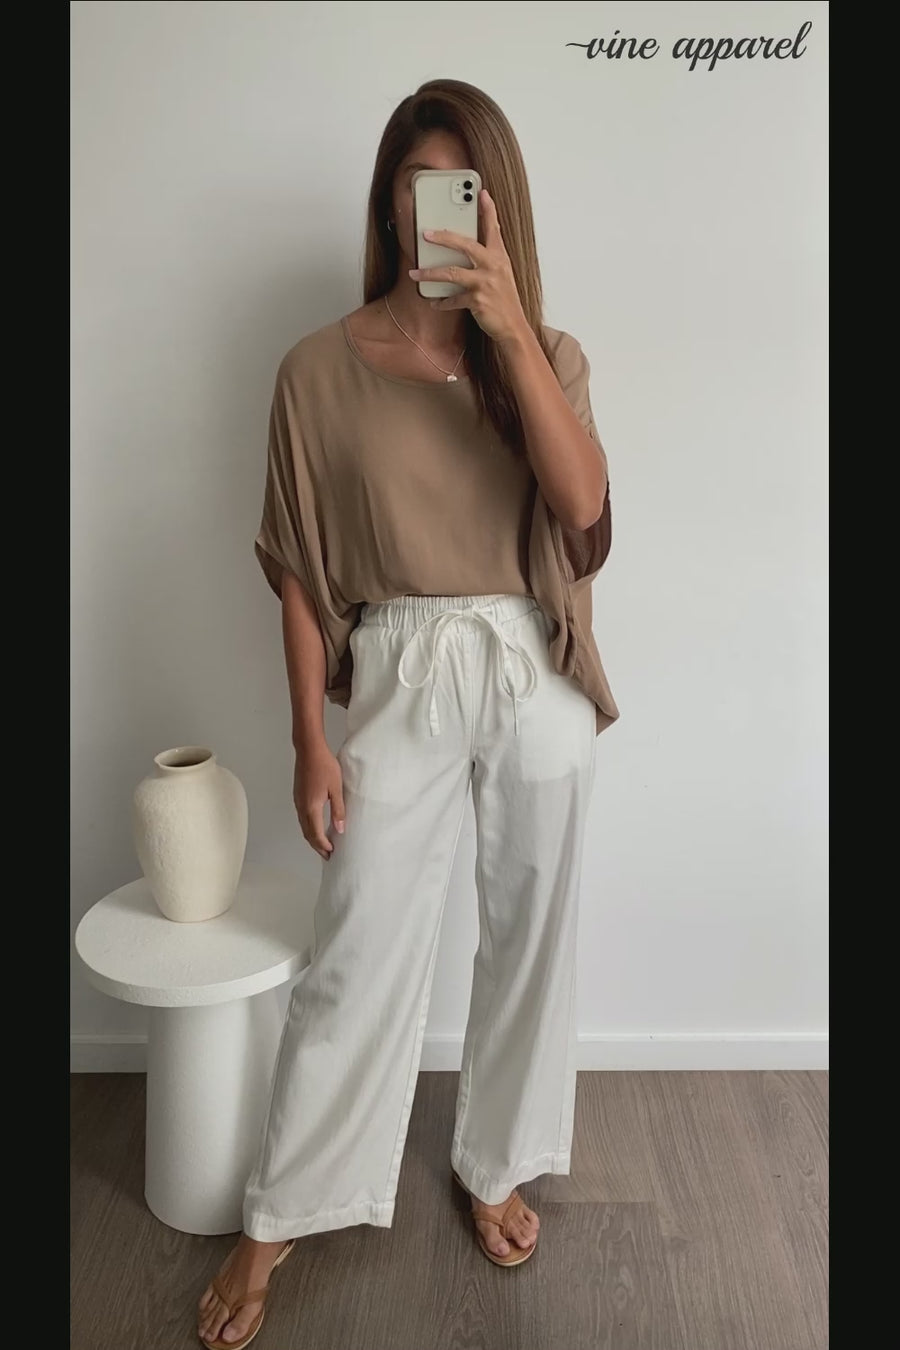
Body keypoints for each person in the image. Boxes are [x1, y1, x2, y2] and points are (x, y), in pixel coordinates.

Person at [198, 77, 619, 1350]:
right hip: (398, 663)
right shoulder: (315, 369)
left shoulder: (546, 356)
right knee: (359, 948)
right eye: (416, 183)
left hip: (529, 665)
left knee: (533, 936)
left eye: (461, 188)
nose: (435, 206)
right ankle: (283, 1209)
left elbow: (584, 514)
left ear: (496, 208)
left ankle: (497, 1162)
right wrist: (307, 739)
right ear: (389, 202)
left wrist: (508, 329)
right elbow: (299, 570)